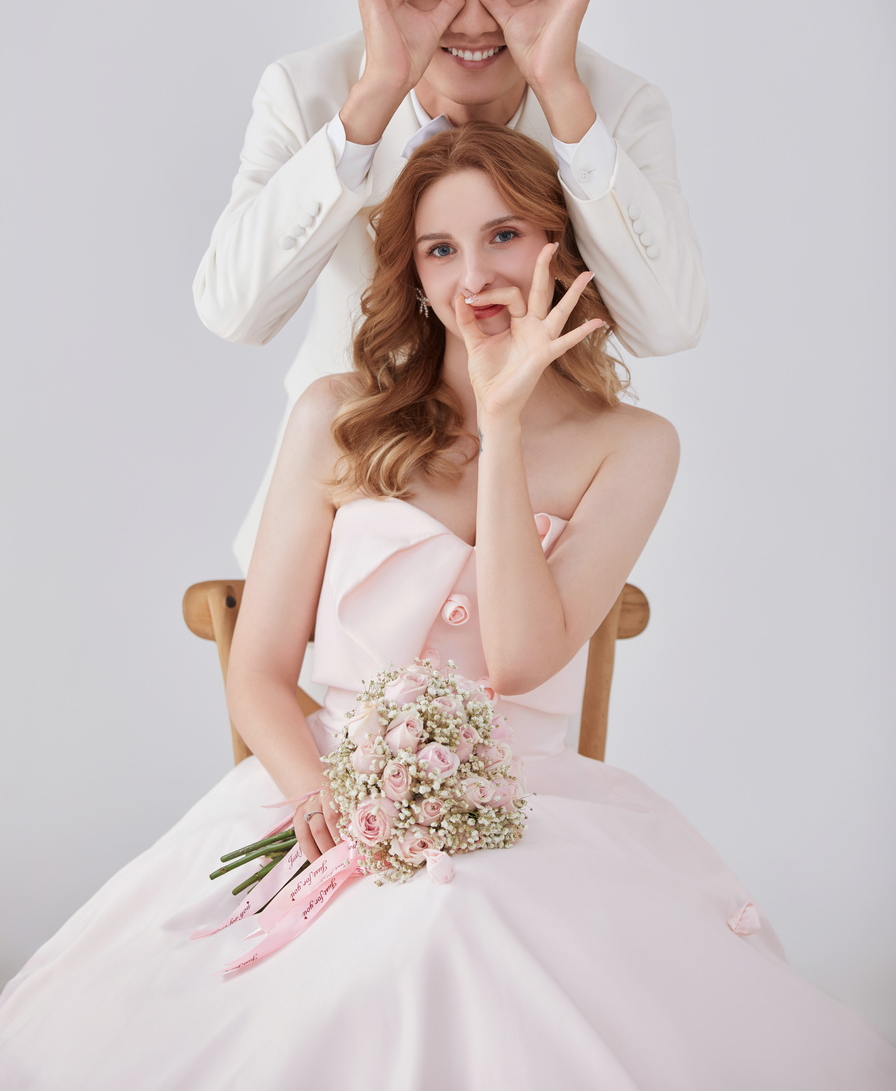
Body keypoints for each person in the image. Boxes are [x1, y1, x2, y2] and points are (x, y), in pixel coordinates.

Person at [2, 125, 892, 1090]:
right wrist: (326, 802)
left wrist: (503, 423)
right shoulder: (336, 416)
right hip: (329, 784)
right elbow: (257, 672)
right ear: (415, 278)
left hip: (526, 807)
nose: (475, 277)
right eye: (440, 249)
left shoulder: (635, 445)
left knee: (457, 932)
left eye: (505, 235)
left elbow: (520, 662)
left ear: (559, 246)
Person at [192, 0, 709, 571]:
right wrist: (374, 97)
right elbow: (234, 312)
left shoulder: (616, 107)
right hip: (332, 523)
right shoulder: (311, 92)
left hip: (540, 532)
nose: (470, 18)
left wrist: (562, 95)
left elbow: (668, 325)